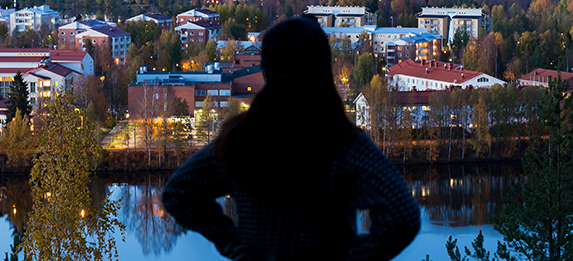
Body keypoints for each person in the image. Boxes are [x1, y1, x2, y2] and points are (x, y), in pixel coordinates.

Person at [162, 16, 421, 261]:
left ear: (266, 70)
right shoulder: (341, 144)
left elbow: (178, 193)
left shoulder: (244, 140)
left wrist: (237, 246)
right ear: (322, 71)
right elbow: (403, 214)